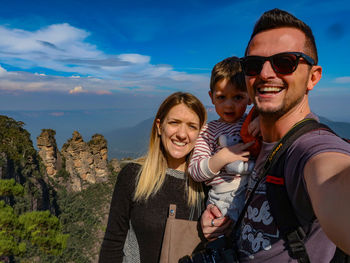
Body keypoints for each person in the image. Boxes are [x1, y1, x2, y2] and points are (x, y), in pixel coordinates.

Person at [200, 8, 350, 262]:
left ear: (313, 77)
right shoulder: (251, 138)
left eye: (285, 62)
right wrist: (218, 220)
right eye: (254, 65)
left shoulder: (311, 149)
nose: (266, 74)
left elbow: (332, 178)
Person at [99, 92, 207, 262]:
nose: (182, 134)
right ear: (159, 126)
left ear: (200, 133)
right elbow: (113, 242)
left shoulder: (207, 186)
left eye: (192, 126)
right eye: (174, 123)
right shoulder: (133, 176)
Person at [188, 57, 259, 222]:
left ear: (250, 97)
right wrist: (223, 157)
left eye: (238, 97)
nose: (229, 105)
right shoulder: (208, 131)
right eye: (221, 97)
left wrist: (261, 121)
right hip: (221, 202)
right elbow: (195, 171)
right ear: (211, 97)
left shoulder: (254, 123)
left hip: (253, 198)